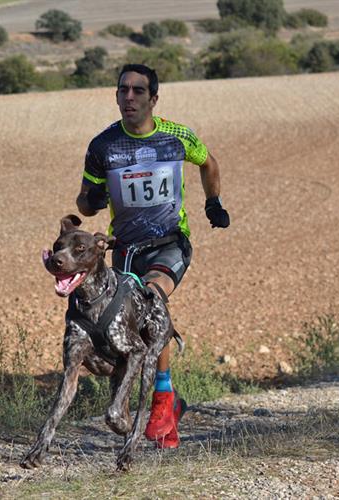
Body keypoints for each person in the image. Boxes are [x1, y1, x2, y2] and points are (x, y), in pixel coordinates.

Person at [76, 63, 230, 448]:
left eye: (138, 91)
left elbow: (208, 163)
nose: (128, 97)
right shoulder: (103, 147)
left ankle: (162, 398)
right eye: (122, 90)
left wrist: (214, 203)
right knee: (129, 330)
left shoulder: (177, 136)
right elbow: (84, 201)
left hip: (170, 242)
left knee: (151, 297)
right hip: (125, 249)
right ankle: (168, 406)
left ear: (153, 99)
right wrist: (92, 200)